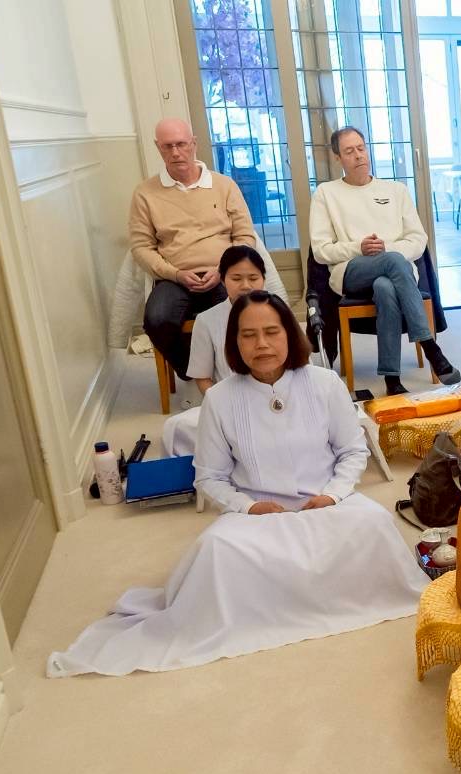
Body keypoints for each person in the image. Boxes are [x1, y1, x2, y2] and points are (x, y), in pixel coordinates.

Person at [49, 291, 426, 677]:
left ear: (289, 335)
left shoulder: (325, 383)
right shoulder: (221, 399)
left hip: (327, 503)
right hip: (258, 514)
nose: (261, 344)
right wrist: (249, 508)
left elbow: (352, 451)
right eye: (248, 335)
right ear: (234, 343)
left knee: (375, 524)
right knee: (216, 549)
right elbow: (208, 476)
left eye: (271, 332)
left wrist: (331, 494)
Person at [310, 126, 459, 395]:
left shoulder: (396, 190)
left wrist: (387, 248)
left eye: (361, 148)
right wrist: (359, 248)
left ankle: (392, 379)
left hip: (395, 271)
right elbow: (321, 250)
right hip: (350, 271)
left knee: (385, 286)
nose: (358, 155)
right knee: (391, 264)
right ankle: (430, 346)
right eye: (349, 151)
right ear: (337, 158)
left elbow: (418, 239)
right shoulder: (325, 193)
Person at [129, 118, 256, 379]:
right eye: (167, 146)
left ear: (194, 144)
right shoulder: (145, 193)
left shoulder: (224, 186)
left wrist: (223, 270)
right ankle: (197, 373)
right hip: (174, 277)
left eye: (181, 144)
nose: (175, 152)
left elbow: (244, 236)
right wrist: (175, 273)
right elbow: (141, 247)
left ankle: (242, 373)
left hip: (222, 272)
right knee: (157, 319)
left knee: (243, 314)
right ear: (158, 148)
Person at [162, 244, 266, 457]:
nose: (245, 286)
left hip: (277, 402)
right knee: (176, 427)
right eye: (236, 279)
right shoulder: (207, 320)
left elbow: (299, 366)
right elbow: (202, 377)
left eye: (253, 278)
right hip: (230, 405)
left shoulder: (279, 312)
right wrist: (222, 407)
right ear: (222, 280)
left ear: (264, 279)